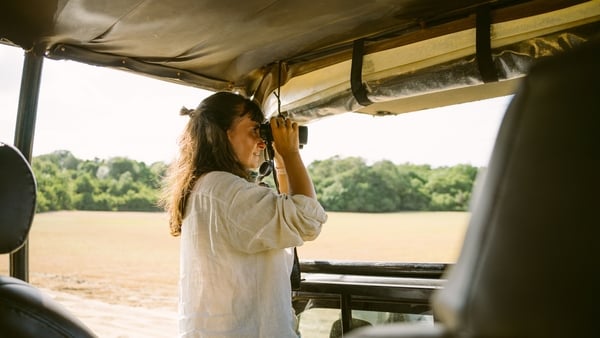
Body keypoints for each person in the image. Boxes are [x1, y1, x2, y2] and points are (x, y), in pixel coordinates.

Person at [159, 91, 327, 337]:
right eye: (254, 131)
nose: (261, 142)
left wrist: (280, 160)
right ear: (223, 135)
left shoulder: (206, 186)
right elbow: (306, 219)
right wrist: (291, 154)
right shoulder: (225, 189)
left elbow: (286, 210)